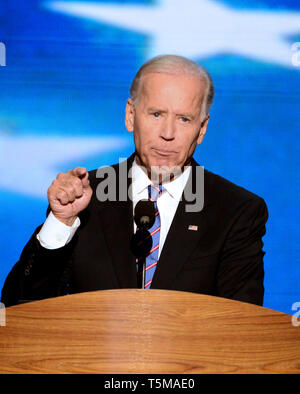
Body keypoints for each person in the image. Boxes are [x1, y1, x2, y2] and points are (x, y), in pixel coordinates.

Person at [1, 55, 268, 307]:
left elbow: (241, 331)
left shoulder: (236, 211)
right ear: (130, 115)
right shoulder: (85, 197)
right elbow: (17, 307)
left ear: (202, 128)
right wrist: (61, 222)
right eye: (156, 115)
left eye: (184, 119)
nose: (168, 133)